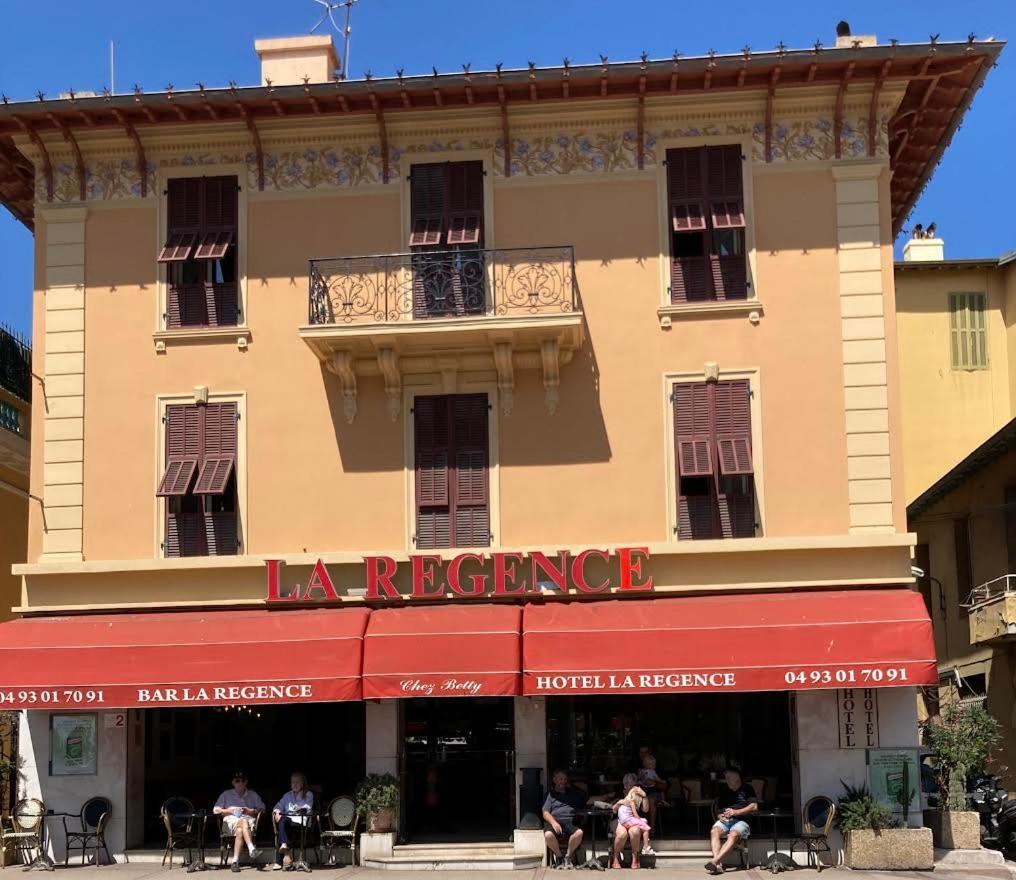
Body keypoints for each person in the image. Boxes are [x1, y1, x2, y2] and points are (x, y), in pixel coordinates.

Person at [705, 767, 758, 876]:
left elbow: (754, 807)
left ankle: (715, 861)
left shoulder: (747, 788)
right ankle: (718, 866)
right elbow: (719, 809)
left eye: (728, 777)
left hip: (742, 820)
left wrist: (736, 812)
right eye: (726, 778)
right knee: (714, 831)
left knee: (733, 834)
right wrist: (720, 816)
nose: (726, 780)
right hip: (726, 820)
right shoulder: (725, 790)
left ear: (737, 777)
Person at [214, 771, 266, 873]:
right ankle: (251, 848)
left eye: (243, 780)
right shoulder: (226, 794)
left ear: (246, 782)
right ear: (233, 782)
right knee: (243, 821)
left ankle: (235, 861)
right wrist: (230, 810)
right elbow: (215, 810)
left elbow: (263, 809)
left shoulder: (253, 794)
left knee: (240, 830)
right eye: (237, 781)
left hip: (248, 821)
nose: (240, 783)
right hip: (230, 821)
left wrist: (251, 811)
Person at [542, 769, 587, 868]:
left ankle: (568, 857)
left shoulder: (572, 793)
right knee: (548, 835)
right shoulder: (550, 794)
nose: (563, 781)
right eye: (560, 779)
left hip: (570, 821)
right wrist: (553, 822)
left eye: (565, 779)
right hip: (555, 821)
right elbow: (545, 813)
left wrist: (606, 796)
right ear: (554, 780)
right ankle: (559, 857)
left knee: (579, 833)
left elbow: (587, 800)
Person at [272, 772, 314, 871]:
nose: (295, 784)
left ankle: (279, 861)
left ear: (303, 783)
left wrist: (301, 807)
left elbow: (308, 807)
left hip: (301, 823)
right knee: (283, 820)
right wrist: (277, 811)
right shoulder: (287, 795)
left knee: (283, 827)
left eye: (297, 782)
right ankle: (284, 847)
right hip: (288, 823)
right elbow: (277, 806)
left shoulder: (308, 794)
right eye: (293, 782)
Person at [613, 785, 653, 869]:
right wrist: (618, 803)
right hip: (622, 821)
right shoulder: (623, 799)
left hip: (630, 821)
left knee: (635, 831)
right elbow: (613, 809)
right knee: (622, 834)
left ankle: (635, 858)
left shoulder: (637, 798)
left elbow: (646, 810)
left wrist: (644, 796)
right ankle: (616, 858)